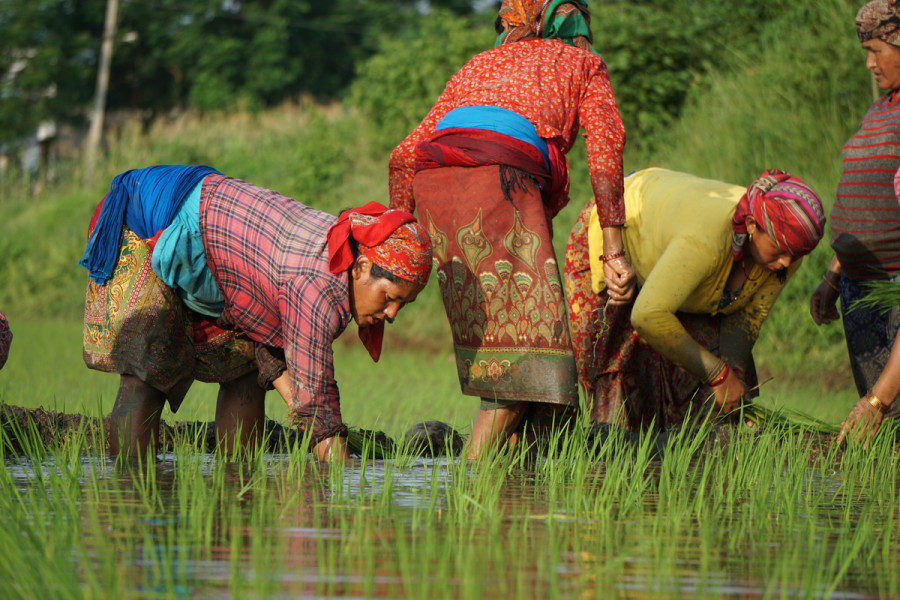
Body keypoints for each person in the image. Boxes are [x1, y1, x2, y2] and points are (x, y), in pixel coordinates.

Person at [389, 0, 635, 458]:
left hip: (437, 189)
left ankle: (515, 490)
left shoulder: (479, 63)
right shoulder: (583, 63)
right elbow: (605, 153)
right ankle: (470, 479)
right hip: (499, 180)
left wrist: (399, 248)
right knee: (527, 357)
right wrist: (614, 252)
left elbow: (404, 156)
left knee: (517, 352)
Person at [80, 165, 432, 460]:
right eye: (389, 297)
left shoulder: (338, 261)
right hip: (156, 218)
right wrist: (343, 487)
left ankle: (238, 501)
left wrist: (308, 409)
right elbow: (317, 403)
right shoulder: (316, 284)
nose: (392, 314)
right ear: (361, 267)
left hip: (218, 246)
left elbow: (286, 370)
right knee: (147, 371)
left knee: (246, 371)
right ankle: (127, 498)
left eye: (403, 304)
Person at [565, 168, 825, 430]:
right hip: (623, 222)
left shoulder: (787, 248)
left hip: (675, 249)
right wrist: (717, 374)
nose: (787, 263)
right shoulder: (705, 242)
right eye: (782, 251)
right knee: (612, 369)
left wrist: (732, 374)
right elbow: (647, 316)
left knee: (696, 382)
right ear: (751, 226)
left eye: (797, 254)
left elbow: (748, 318)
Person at [810, 0, 900, 445]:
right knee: (880, 435)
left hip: (894, 287)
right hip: (859, 289)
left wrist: (877, 401)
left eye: (877, 50)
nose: (869, 62)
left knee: (884, 411)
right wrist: (832, 276)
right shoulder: (880, 110)